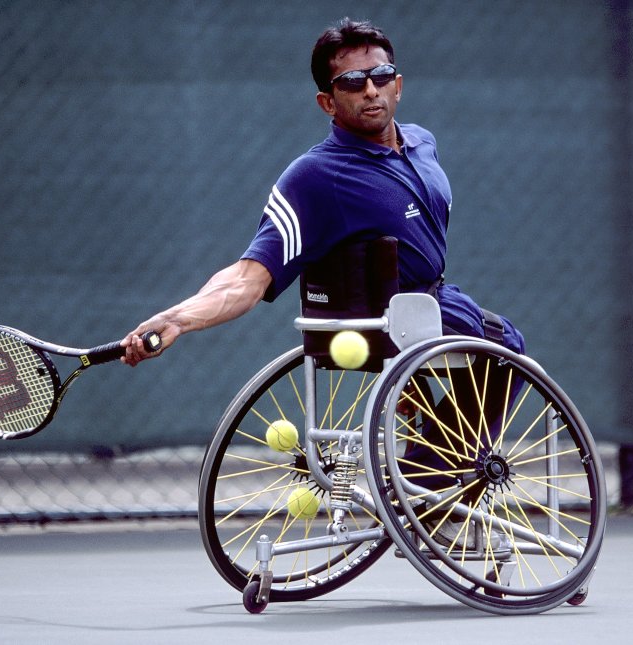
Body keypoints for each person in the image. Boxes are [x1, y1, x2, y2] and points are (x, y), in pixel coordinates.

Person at [121, 18, 523, 548]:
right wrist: (176, 319)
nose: (370, 89)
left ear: (398, 83)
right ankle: (428, 495)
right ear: (327, 103)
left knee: (492, 346)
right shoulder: (315, 177)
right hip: (393, 320)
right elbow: (247, 275)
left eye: (380, 75)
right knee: (506, 345)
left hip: (430, 307)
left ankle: (427, 475)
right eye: (352, 83)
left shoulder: (422, 143)